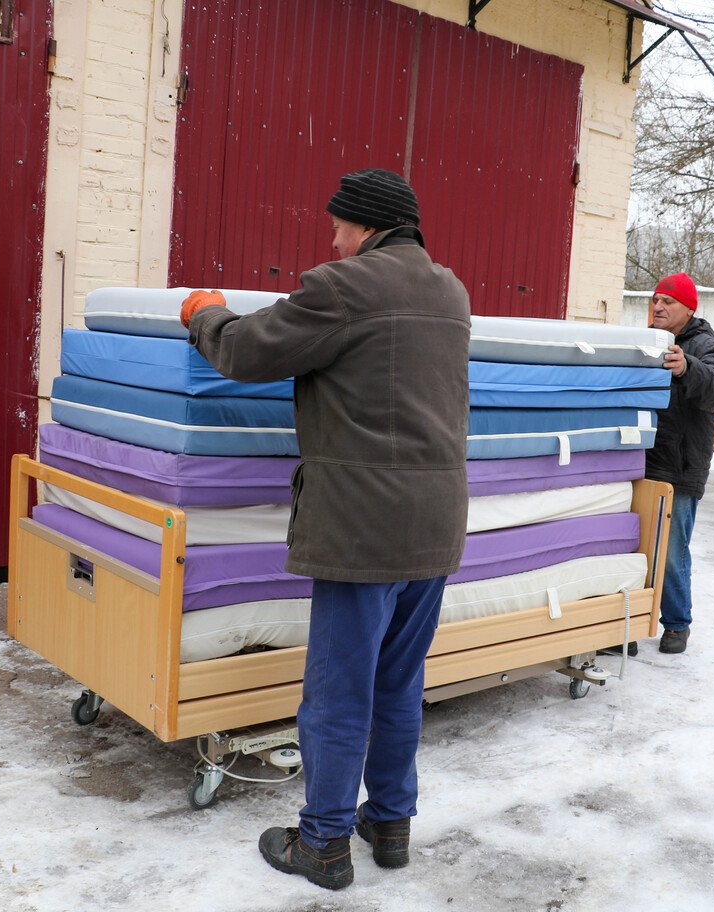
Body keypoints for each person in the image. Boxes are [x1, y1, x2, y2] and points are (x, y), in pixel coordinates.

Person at [180, 168, 471, 891]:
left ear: (367, 226)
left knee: (340, 691)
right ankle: (391, 823)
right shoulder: (450, 291)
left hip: (362, 527)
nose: (332, 239)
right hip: (435, 522)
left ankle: (323, 844)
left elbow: (248, 352)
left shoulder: (345, 287)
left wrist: (203, 314)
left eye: (339, 225)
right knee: (400, 683)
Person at [643, 272, 714, 654]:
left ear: (688, 309)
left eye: (669, 302)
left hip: (679, 471)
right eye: (655, 300)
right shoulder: (646, 342)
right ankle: (628, 622)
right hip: (642, 464)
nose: (659, 307)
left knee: (671, 550)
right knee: (636, 546)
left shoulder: (703, 346)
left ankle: (677, 623)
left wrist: (686, 368)